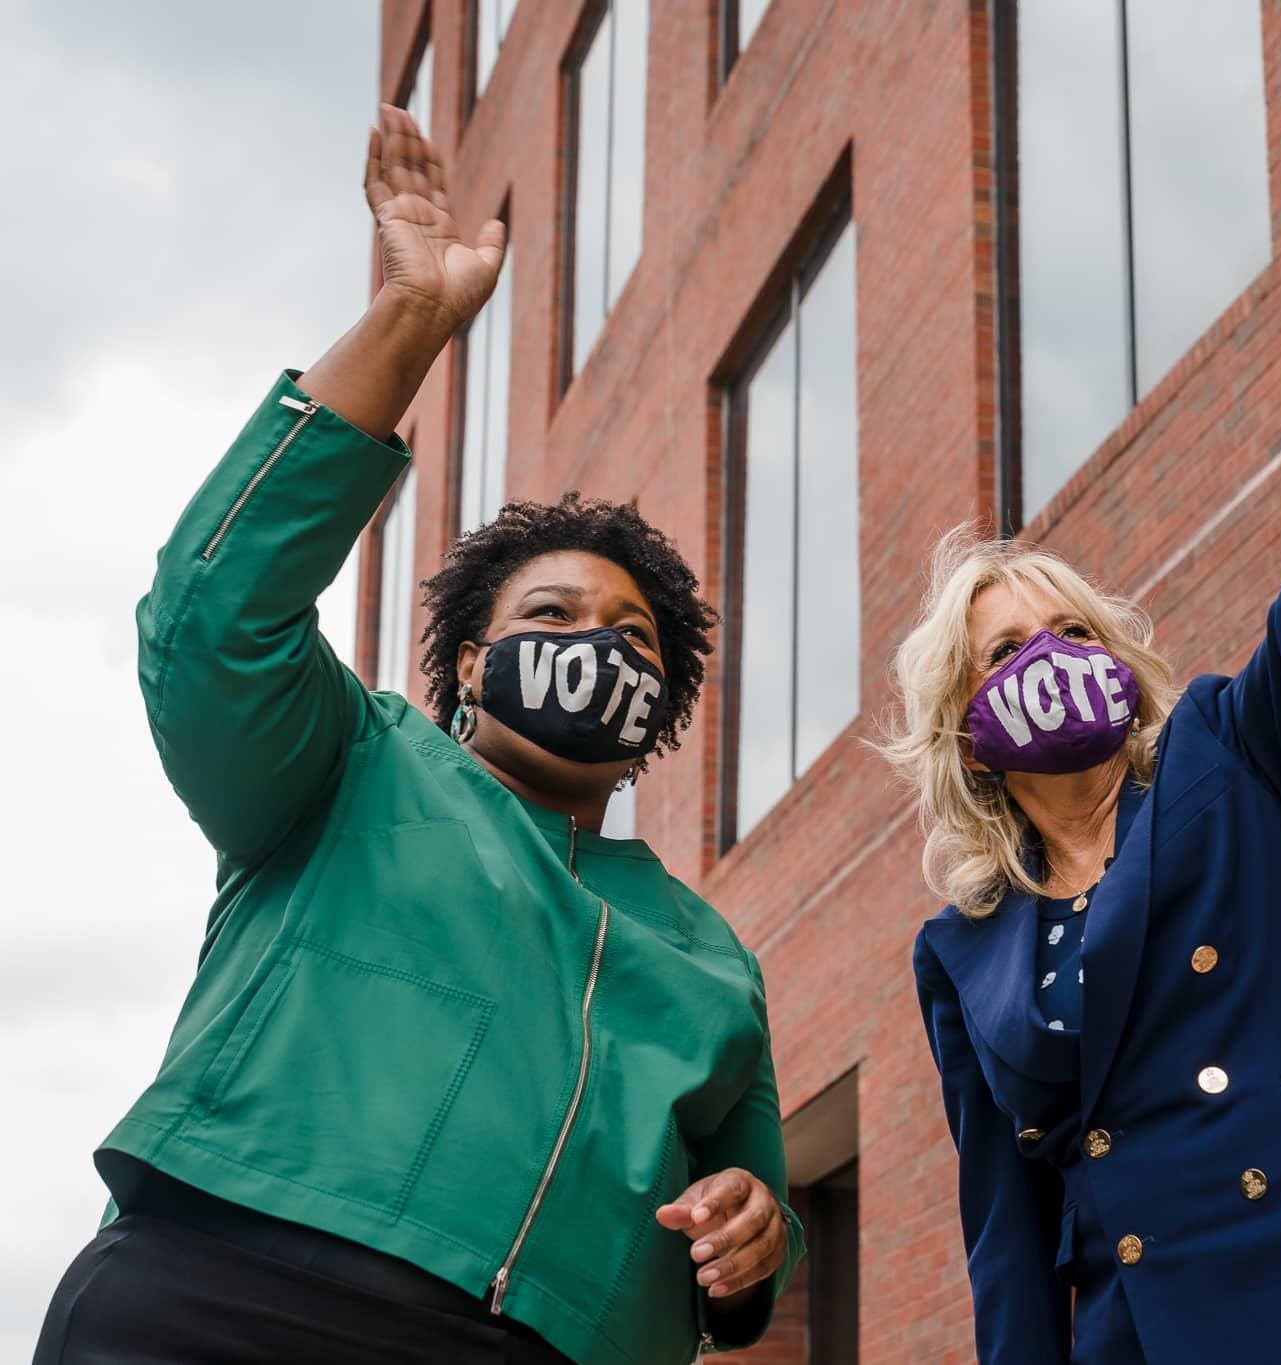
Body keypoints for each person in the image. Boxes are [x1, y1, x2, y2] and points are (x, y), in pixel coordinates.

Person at [34, 106, 801, 1365]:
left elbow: (750, 1222)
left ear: (659, 707)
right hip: (219, 1293)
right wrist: (408, 323)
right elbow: (213, 619)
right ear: (470, 666)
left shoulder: (710, 957)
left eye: (634, 638)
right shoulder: (348, 762)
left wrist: (756, 1230)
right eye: (551, 613)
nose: (596, 643)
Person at [888, 42, 1281, 1365]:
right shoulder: (958, 950)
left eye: (1075, 628)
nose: (1053, 655)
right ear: (968, 724)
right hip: (1161, 1334)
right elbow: (1004, 1235)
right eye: (1010, 647)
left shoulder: (1230, 752)